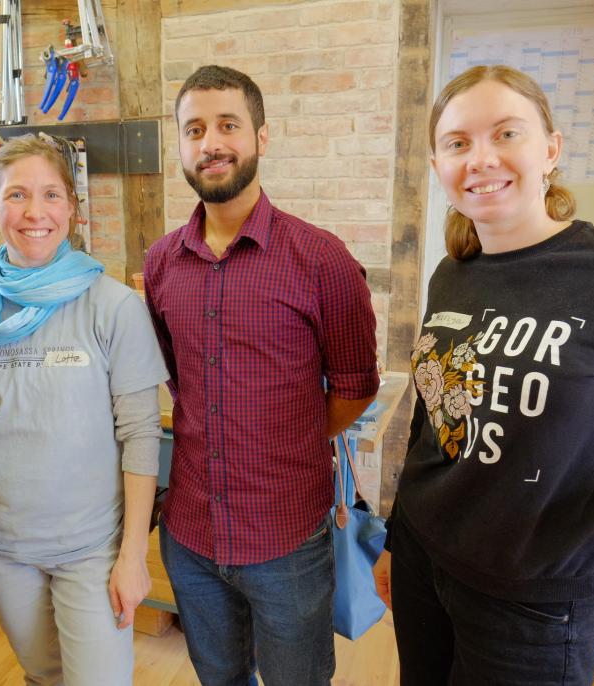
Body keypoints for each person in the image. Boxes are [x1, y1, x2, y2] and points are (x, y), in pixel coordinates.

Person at [373, 64, 594, 686]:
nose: (481, 158)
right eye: (458, 143)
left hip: (537, 601)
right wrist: (397, 534)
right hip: (424, 557)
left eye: (506, 133)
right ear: (440, 167)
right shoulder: (453, 272)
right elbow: (433, 415)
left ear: (550, 150)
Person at [144, 65, 380, 686]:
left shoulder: (320, 258)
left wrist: (291, 436)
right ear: (180, 146)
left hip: (287, 539)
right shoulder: (161, 262)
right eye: (194, 129)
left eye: (228, 125)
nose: (211, 143)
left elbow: (356, 387)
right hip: (190, 534)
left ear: (262, 138)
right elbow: (176, 376)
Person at [0, 135, 169, 686]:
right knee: (43, 677)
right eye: (18, 195)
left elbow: (142, 435)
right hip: (4, 547)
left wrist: (133, 556)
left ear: (72, 206)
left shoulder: (113, 306)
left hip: (92, 549)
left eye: (51, 195)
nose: (35, 212)